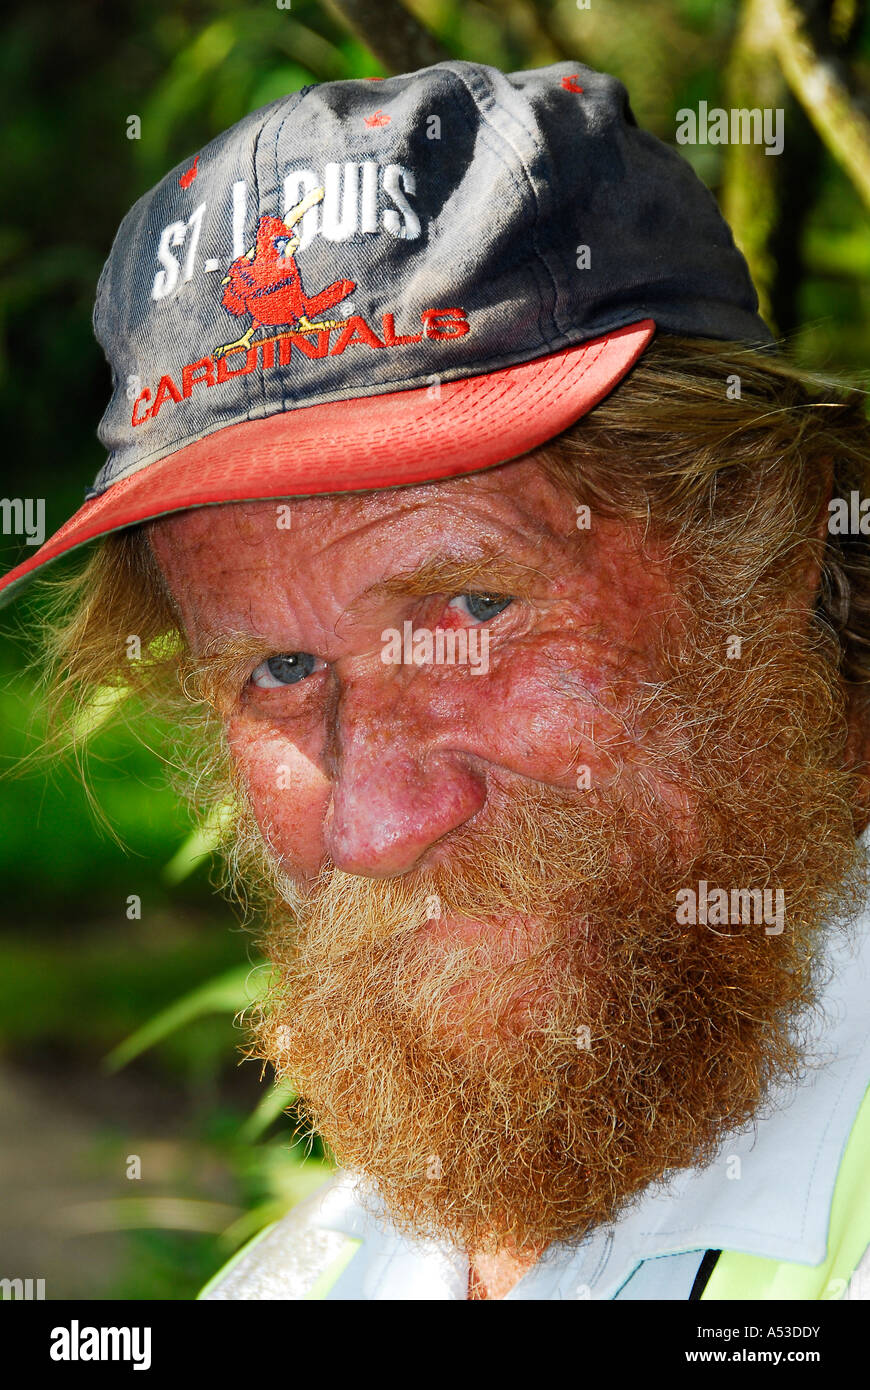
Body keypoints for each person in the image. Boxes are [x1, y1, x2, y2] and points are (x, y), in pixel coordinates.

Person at [4, 59, 870, 1301]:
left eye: (473, 607)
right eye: (282, 668)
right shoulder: (300, 1281)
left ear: (766, 550)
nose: (376, 825)